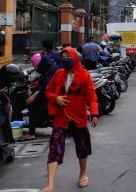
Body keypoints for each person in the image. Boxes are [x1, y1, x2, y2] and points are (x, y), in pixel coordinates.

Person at [42, 47, 99, 191]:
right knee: (54, 149)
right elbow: (48, 91)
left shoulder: (84, 75)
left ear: (74, 57)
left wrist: (94, 114)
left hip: (78, 118)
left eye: (68, 55)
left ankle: (82, 174)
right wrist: (56, 98)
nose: (65, 58)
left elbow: (92, 97)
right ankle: (50, 185)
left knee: (82, 148)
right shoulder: (59, 74)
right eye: (63, 56)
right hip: (61, 119)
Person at [20, 53, 61, 142]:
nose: (37, 69)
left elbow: (46, 87)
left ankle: (31, 134)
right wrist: (38, 83)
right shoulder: (51, 65)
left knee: (32, 106)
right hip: (53, 91)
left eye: (37, 67)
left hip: (50, 92)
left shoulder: (49, 69)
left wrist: (34, 96)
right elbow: (44, 77)